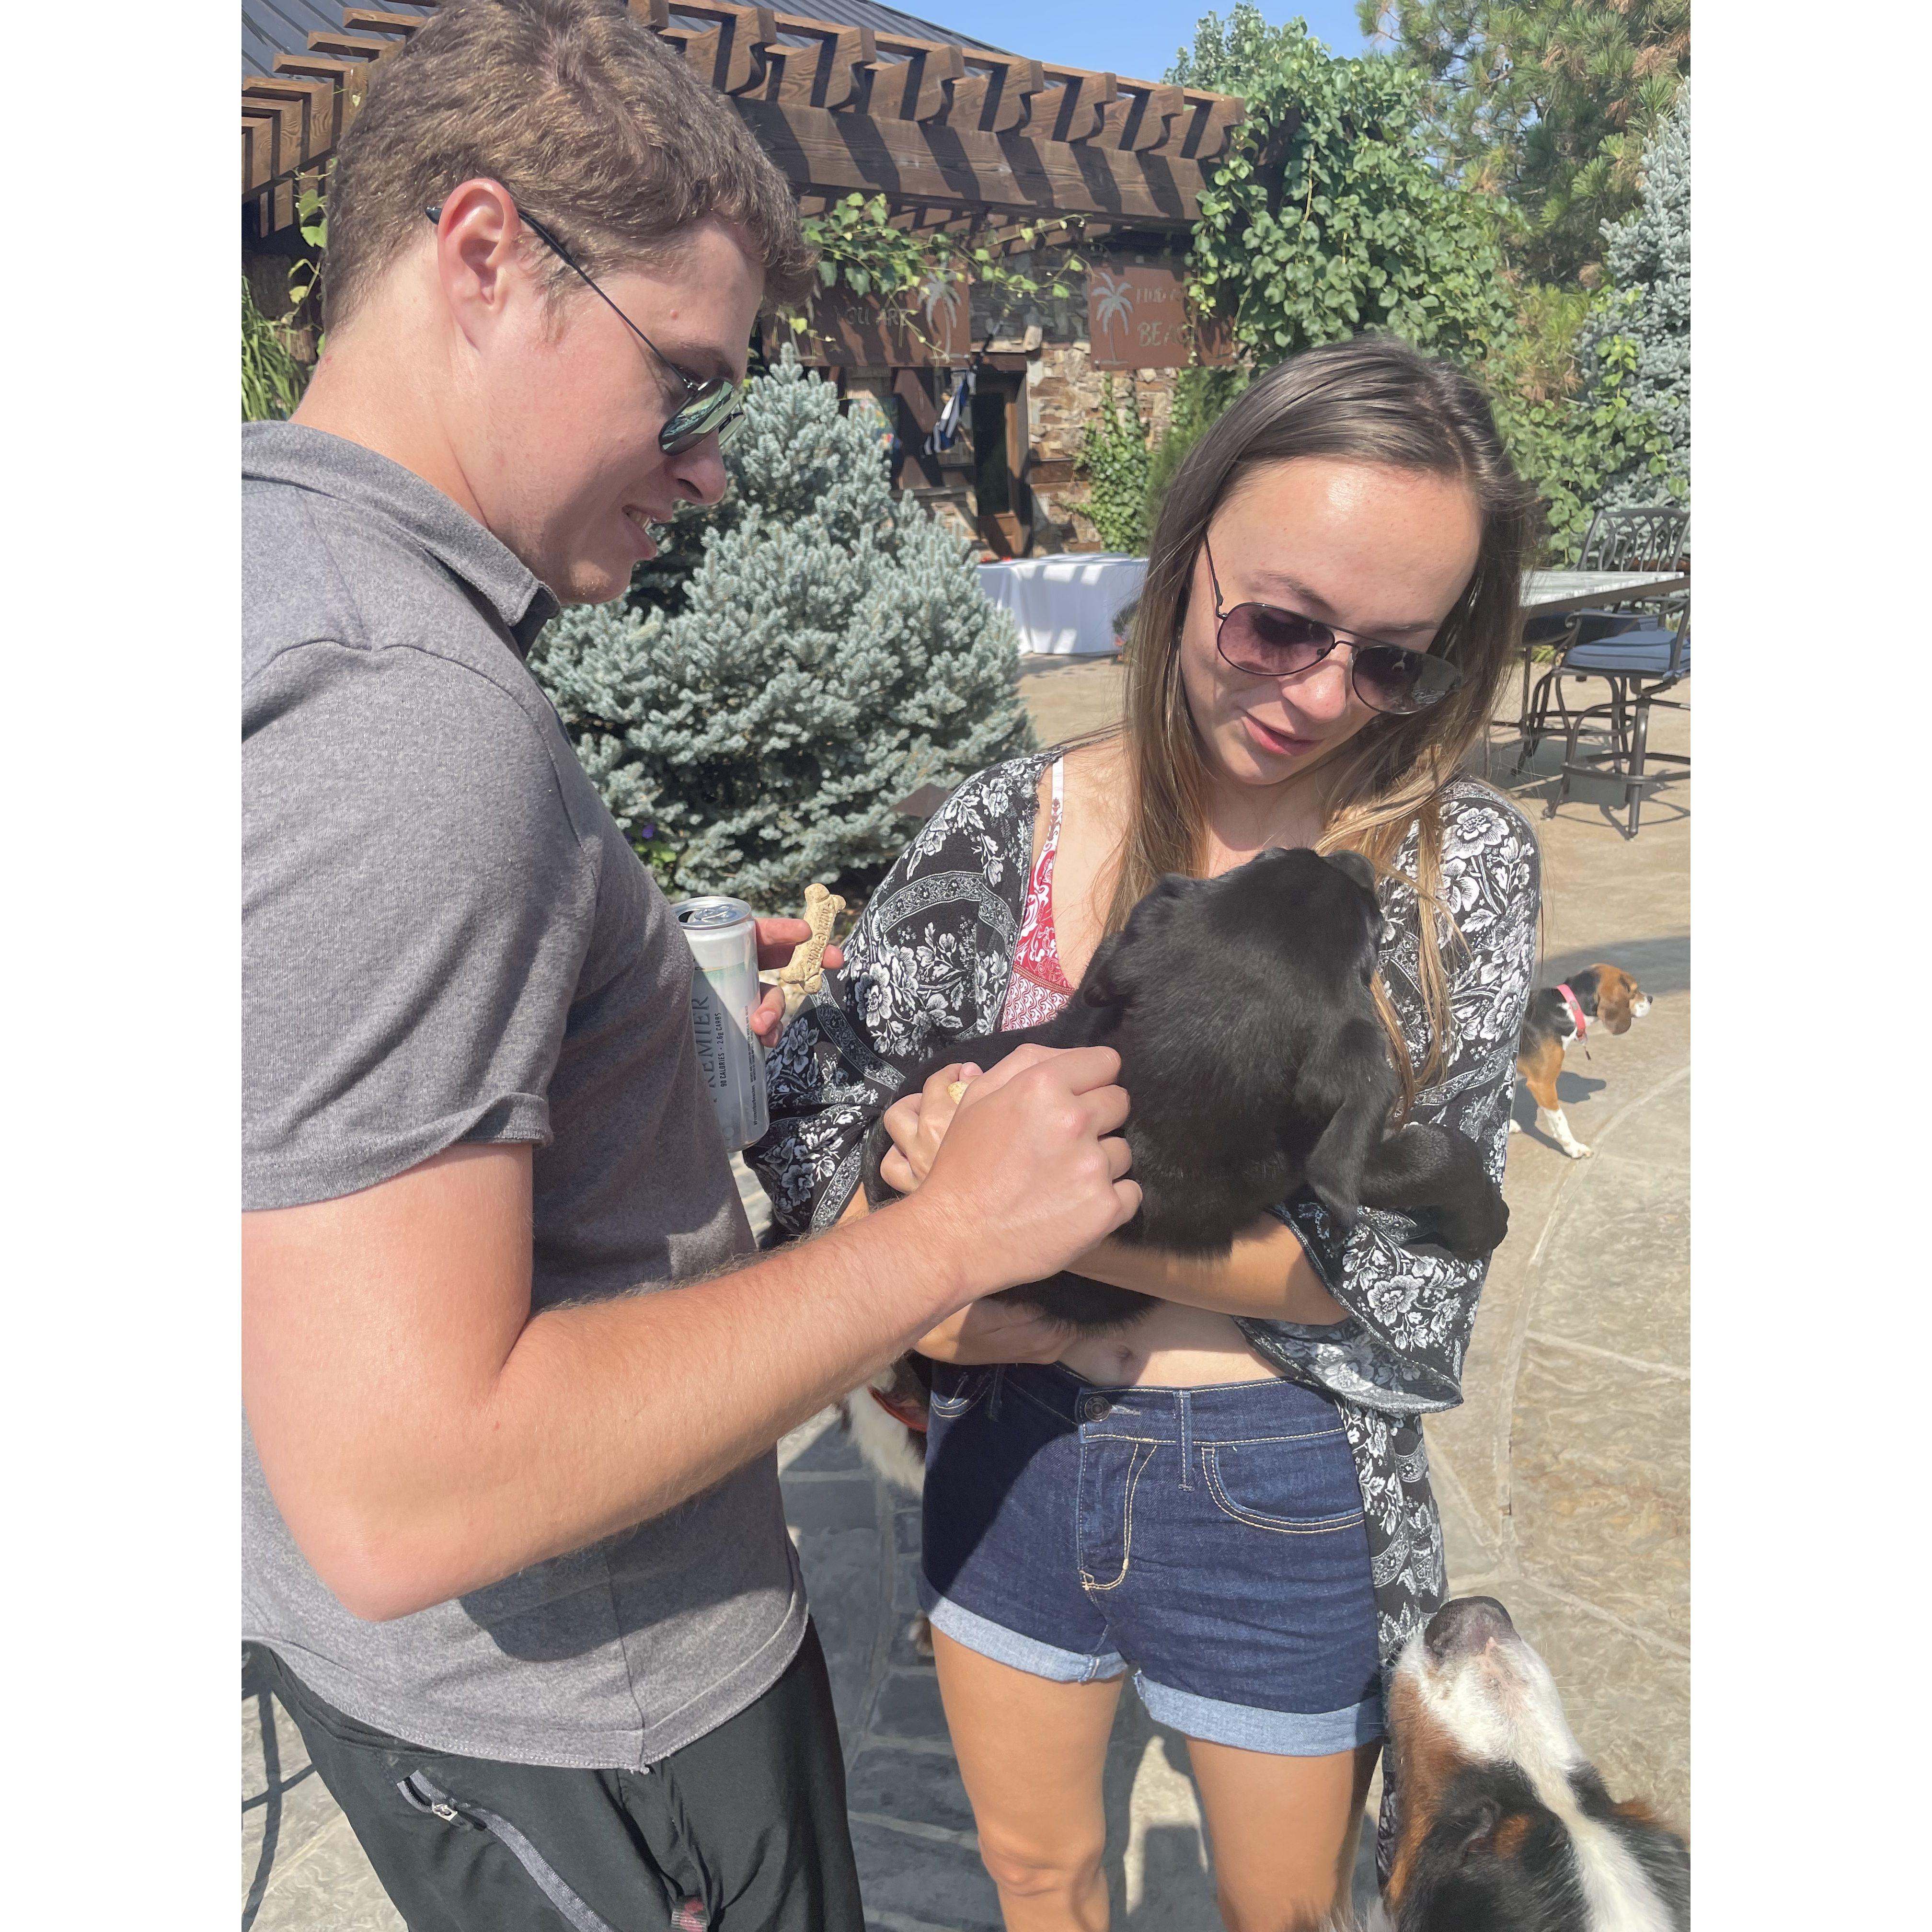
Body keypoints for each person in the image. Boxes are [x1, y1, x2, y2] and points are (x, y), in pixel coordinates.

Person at [241, 6, 1138, 1929]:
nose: (707, 472)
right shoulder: (399, 713)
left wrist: (646, 1033)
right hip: (603, 1732)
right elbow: (412, 1488)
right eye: (688, 384)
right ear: (487, 256)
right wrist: (939, 1243)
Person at [753, 336, 1543, 1931]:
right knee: (1040, 1881)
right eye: (1278, 623)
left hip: (1283, 1480)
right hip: (1012, 1458)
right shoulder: (1011, 828)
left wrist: (1020, 1218)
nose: (1321, 696)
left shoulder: (1461, 879)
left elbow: (1404, 1292)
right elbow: (808, 1123)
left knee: (1296, 1913)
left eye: (1397, 660)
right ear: (1183, 562)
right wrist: (899, 1161)